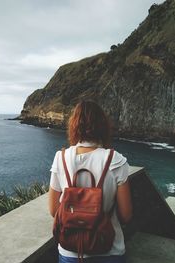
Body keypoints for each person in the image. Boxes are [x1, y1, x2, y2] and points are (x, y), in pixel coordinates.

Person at [48, 100, 132, 263]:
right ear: (103, 126)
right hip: (109, 249)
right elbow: (126, 215)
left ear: (74, 125)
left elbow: (53, 210)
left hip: (70, 251)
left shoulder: (61, 157)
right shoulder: (115, 160)